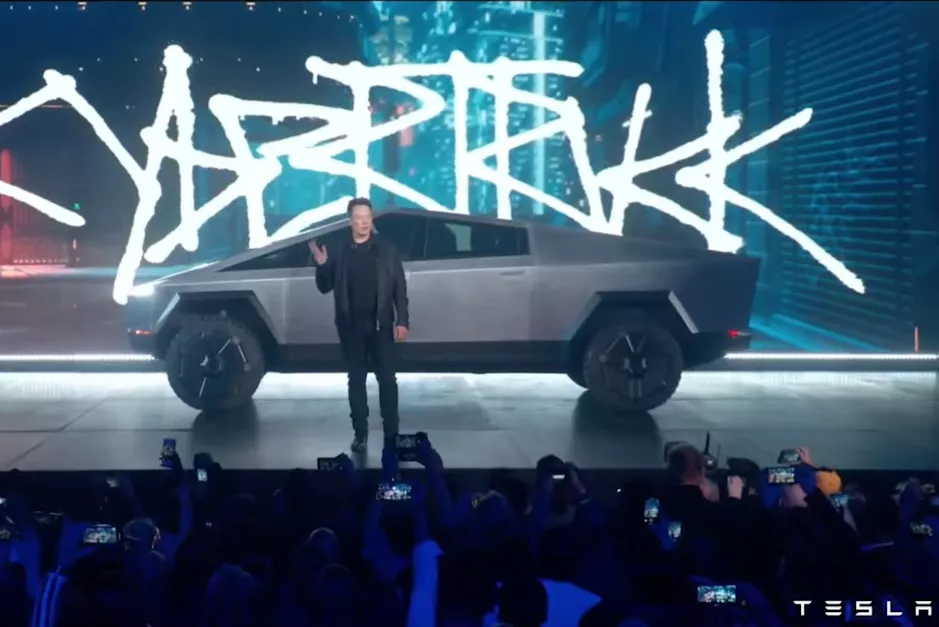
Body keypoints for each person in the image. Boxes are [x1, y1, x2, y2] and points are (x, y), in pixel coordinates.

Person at [308, 197, 409, 452]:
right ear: (350, 221)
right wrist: (322, 266)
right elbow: (324, 287)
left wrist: (402, 320)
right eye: (358, 218)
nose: (364, 222)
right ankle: (360, 434)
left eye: (367, 217)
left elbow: (399, 288)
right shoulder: (339, 250)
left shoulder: (386, 249)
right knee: (356, 381)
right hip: (351, 327)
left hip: (381, 326)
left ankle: (392, 434)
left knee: (387, 380)